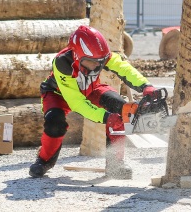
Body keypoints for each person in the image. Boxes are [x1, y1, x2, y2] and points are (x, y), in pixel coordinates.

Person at [29, 25, 156, 179]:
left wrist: (145, 86)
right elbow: (77, 103)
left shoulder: (100, 56)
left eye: (100, 62)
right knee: (55, 123)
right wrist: (105, 117)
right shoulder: (62, 63)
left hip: (90, 89)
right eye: (92, 62)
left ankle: (116, 164)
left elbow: (123, 68)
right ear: (77, 55)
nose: (97, 66)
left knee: (119, 108)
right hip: (58, 94)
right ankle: (44, 161)